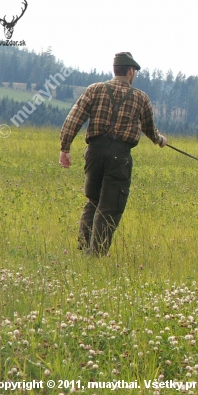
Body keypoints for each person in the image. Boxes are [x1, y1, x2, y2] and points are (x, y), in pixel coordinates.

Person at [59, 52, 167, 256]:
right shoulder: (140, 98)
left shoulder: (94, 90)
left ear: (114, 70)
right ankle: (96, 254)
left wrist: (65, 148)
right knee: (110, 205)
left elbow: (73, 119)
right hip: (120, 156)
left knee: (93, 200)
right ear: (131, 71)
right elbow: (150, 129)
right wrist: (160, 140)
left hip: (94, 152)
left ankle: (84, 248)